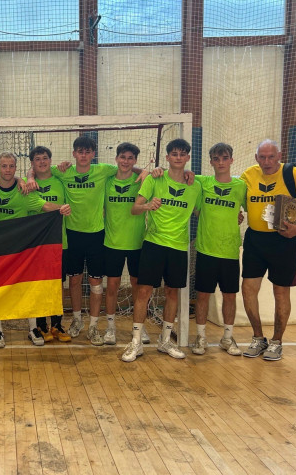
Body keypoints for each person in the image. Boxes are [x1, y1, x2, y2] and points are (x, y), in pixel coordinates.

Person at [121, 138, 202, 363]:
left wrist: (235, 217)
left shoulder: (196, 185)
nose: (178, 157)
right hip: (154, 243)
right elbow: (135, 208)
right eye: (174, 154)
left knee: (172, 293)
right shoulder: (154, 179)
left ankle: (165, 340)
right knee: (144, 292)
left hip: (178, 247)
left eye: (182, 154)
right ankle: (136, 342)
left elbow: (202, 211)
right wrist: (148, 205)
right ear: (167, 157)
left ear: (187, 158)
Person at [240, 139, 296, 361]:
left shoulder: (292, 174)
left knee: (281, 292)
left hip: (284, 241)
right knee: (248, 289)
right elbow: (234, 196)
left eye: (271, 157)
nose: (267, 161)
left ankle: (277, 342)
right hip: (255, 240)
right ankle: (258, 338)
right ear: (256, 158)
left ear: (279, 156)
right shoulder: (248, 175)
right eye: (262, 157)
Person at [0, 152, 71, 347]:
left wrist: (62, 207)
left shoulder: (24, 192)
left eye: (11, 166)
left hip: (22, 249)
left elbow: (45, 206)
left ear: (16, 168)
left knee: (27, 287)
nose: (7, 170)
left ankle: (33, 329)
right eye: (4, 166)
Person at [41, 136, 118, 346]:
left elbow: (128, 167)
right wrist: (28, 178)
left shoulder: (103, 170)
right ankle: (77, 320)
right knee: (74, 280)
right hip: (72, 235)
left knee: (96, 283)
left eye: (87, 152)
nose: (83, 155)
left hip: (96, 235)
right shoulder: (63, 172)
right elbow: (38, 170)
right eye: (80, 151)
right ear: (74, 153)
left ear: (93, 154)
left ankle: (93, 326)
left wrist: (146, 172)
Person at [191, 143, 246, 357]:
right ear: (211, 162)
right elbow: (183, 179)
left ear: (231, 160)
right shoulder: (202, 182)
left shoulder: (241, 186)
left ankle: (227, 338)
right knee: (203, 295)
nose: (221, 162)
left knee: (229, 296)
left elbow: (252, 209)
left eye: (224, 158)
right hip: (206, 250)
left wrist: (240, 216)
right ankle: (201, 337)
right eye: (216, 158)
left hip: (229, 250)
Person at [103, 142, 148, 346]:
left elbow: (164, 174)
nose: (126, 161)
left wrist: (146, 171)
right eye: (123, 157)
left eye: (130, 158)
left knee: (138, 286)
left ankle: (139, 327)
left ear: (135, 160)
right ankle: (110, 327)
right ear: (116, 158)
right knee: (112, 286)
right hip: (112, 242)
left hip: (137, 242)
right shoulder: (107, 181)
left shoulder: (142, 181)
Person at [26, 146, 70, 343]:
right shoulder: (28, 185)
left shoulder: (60, 180)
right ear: (32, 163)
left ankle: (57, 324)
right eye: (37, 159)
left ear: (50, 161)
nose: (42, 162)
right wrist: (61, 207)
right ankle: (41, 324)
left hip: (59, 242)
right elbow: (40, 206)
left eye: (45, 158)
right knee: (39, 284)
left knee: (58, 284)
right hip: (37, 245)